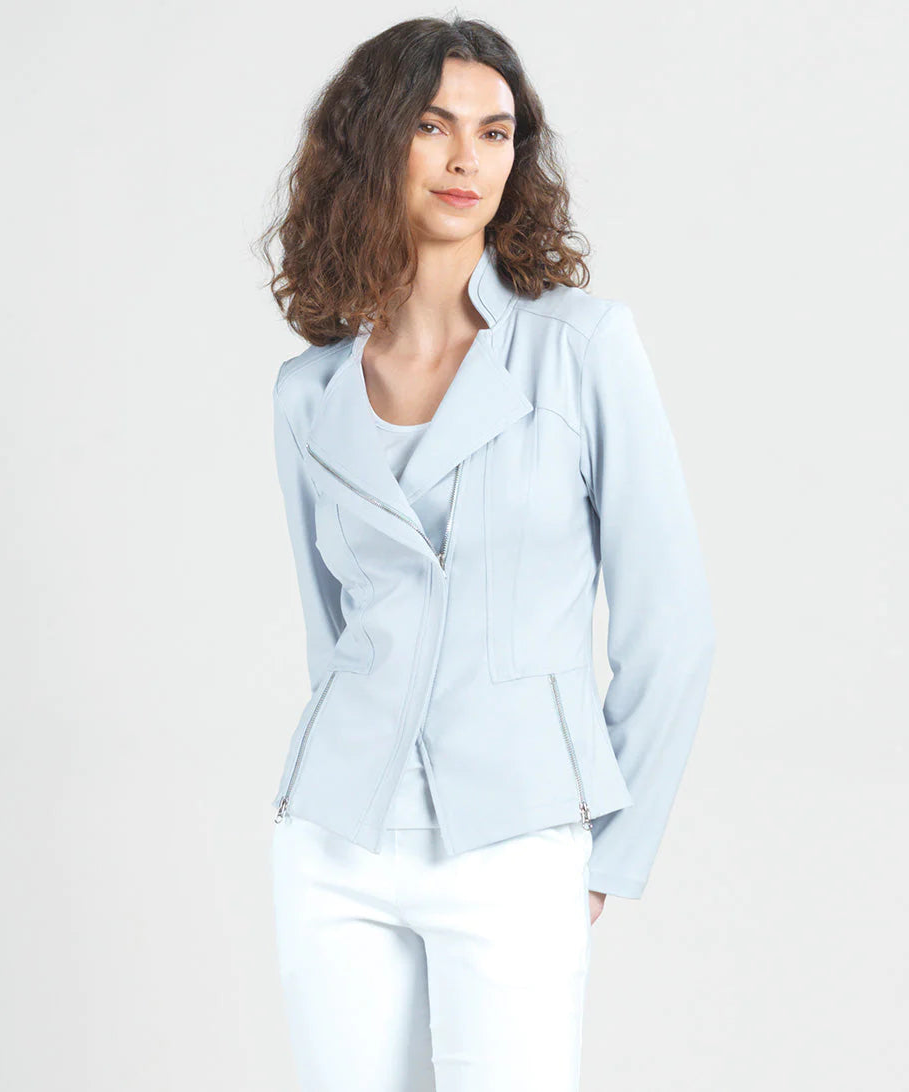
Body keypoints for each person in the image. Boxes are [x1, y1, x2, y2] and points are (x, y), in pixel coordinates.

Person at [255, 16, 716, 1092]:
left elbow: (673, 625)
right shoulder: (306, 394)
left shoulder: (582, 350)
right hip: (335, 842)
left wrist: (605, 853)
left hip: (516, 841)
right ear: (374, 142)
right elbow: (332, 638)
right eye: (434, 125)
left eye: (496, 132)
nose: (468, 157)